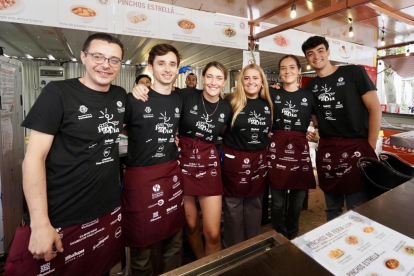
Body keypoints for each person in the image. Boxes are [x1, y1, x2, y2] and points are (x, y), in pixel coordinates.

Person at [5, 33, 126, 276]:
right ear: (83, 56)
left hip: (106, 210)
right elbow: (33, 158)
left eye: (114, 60)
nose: (105, 64)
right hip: (62, 214)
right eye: (98, 56)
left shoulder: (120, 95)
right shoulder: (58, 92)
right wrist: (39, 224)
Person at [132, 62, 232, 259]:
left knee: (212, 232)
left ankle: (211, 269)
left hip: (209, 166)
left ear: (225, 82)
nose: (213, 82)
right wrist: (143, 87)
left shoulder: (227, 107)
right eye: (209, 77)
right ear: (202, 79)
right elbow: (162, 98)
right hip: (183, 163)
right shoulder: (186, 95)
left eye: (218, 78)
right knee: (192, 226)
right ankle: (201, 263)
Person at [302, 36, 381, 221]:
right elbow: (316, 121)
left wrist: (369, 148)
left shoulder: (354, 73)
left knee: (358, 208)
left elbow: (375, 109)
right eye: (310, 53)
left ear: (328, 52)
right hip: (329, 151)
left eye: (320, 51)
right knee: (332, 208)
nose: (316, 56)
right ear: (307, 58)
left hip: (358, 149)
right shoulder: (311, 87)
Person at [122, 43, 185, 276]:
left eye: (172, 64)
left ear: (178, 69)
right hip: (141, 178)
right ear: (150, 67)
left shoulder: (180, 98)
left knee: (174, 241)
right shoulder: (134, 98)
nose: (167, 69)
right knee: (141, 246)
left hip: (171, 175)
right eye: (161, 63)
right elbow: (121, 127)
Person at [221, 64, 273, 248]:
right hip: (234, 161)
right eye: (247, 78)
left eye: (255, 78)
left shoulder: (269, 104)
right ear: (241, 81)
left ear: (262, 82)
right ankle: (233, 251)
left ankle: (252, 247)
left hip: (258, 161)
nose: (251, 82)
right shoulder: (231, 102)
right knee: (233, 206)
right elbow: (220, 130)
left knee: (255, 205)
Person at [268, 55, 317, 240]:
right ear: (279, 72)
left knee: (297, 202)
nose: (287, 71)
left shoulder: (308, 96)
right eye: (283, 68)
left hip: (299, 150)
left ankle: (292, 235)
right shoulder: (273, 93)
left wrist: (310, 130)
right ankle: (278, 235)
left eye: (291, 67)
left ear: (299, 71)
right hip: (278, 150)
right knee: (278, 203)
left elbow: (316, 121)